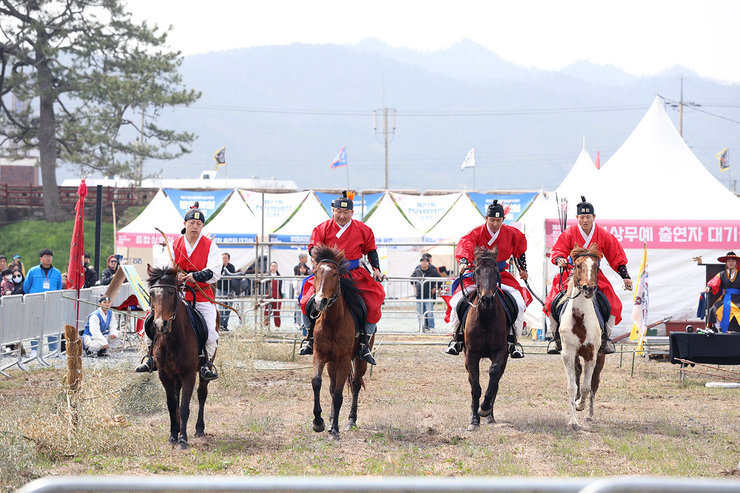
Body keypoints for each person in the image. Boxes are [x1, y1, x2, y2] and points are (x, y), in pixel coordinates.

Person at [135, 205, 222, 380]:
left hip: (202, 296)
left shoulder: (210, 246)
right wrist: (175, 275)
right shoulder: (174, 245)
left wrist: (194, 276)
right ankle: (150, 357)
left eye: (198, 223)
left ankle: (205, 364)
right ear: (185, 223)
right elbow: (165, 269)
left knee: (211, 333)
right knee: (151, 322)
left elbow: (215, 270)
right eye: (192, 222)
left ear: (202, 226)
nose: (195, 226)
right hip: (177, 296)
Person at [297, 191, 385, 365]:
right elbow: (313, 248)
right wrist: (317, 263)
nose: (342, 216)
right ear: (333, 211)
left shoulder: (363, 229)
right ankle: (308, 337)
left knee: (373, 300)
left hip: (354, 273)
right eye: (339, 212)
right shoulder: (321, 228)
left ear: (352, 213)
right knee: (305, 298)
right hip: (328, 274)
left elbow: (371, 250)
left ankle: (364, 344)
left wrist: (376, 269)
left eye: (346, 213)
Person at [544, 196, 633, 355]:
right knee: (551, 302)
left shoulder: (603, 234)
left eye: (588, 217)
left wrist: (625, 276)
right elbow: (558, 250)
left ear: (594, 217)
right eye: (582, 217)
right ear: (577, 218)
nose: (585, 220)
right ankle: (556, 337)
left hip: (594, 275)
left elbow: (616, 255)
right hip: (572, 274)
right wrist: (560, 259)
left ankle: (606, 337)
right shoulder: (569, 233)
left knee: (613, 304)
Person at [444, 201, 532, 358]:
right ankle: (456, 337)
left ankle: (513, 340)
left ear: (503, 220)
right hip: (477, 274)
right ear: (486, 218)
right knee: (457, 300)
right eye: (492, 220)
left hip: (500, 274)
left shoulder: (512, 233)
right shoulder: (476, 233)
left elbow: (520, 252)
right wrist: (464, 262)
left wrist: (522, 269)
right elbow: (465, 246)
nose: (495, 224)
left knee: (519, 302)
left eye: (499, 221)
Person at [24, 248, 63, 357]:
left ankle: (53, 350)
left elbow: (59, 287)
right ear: (41, 258)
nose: (48, 258)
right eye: (45, 256)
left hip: (51, 303)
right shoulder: (32, 271)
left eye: (50, 256)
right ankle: (34, 350)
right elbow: (26, 287)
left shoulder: (57, 272)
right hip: (36, 302)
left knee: (52, 326)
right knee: (35, 326)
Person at [705, 251, 740, 333]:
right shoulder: (721, 274)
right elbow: (714, 282)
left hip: (738, 299)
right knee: (713, 309)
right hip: (725, 298)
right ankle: (717, 329)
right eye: (729, 261)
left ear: (736, 263)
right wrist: (708, 287)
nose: (731, 263)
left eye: (733, 261)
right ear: (726, 263)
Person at [410, 254, 441, 332]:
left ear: (428, 262)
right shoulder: (417, 271)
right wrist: (414, 288)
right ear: (420, 262)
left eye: (426, 261)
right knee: (420, 313)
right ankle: (421, 327)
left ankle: (432, 327)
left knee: (429, 313)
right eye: (422, 261)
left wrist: (435, 287)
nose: (424, 263)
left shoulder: (432, 271)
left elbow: (440, 279)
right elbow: (411, 280)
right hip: (419, 295)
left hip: (428, 295)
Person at [218, 252, 236, 331]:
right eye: (223, 258)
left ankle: (225, 324)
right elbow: (218, 276)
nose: (224, 260)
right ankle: (220, 324)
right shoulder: (219, 266)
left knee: (228, 307)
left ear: (228, 259)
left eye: (225, 258)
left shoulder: (231, 267)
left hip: (230, 289)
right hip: (221, 288)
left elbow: (231, 277)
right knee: (221, 307)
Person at [264, 261, 282, 328]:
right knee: (266, 310)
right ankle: (266, 325)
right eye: (272, 266)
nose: (273, 267)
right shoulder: (267, 276)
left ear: (277, 268)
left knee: (276, 311)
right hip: (268, 294)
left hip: (277, 294)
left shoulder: (279, 276)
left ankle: (277, 326)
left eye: (275, 266)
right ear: (270, 267)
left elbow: (280, 287)